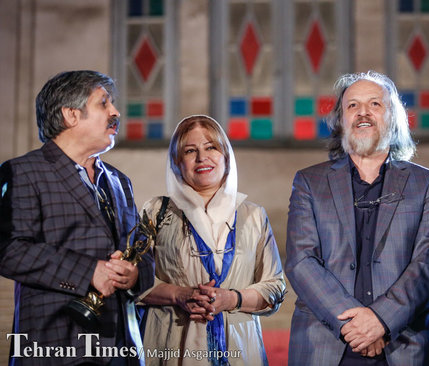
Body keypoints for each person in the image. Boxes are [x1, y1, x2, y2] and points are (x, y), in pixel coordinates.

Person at [285, 71, 429, 365]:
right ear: (341, 120)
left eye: (375, 104)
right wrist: (353, 325)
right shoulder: (309, 182)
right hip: (326, 343)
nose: (363, 113)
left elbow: (428, 262)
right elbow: (301, 261)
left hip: (403, 343)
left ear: (393, 117)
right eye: (352, 106)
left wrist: (381, 321)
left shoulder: (425, 184)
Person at [0, 70, 154, 365]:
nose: (115, 112)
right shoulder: (23, 172)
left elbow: (143, 249)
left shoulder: (119, 181)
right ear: (71, 115)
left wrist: (134, 275)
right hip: (57, 345)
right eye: (104, 103)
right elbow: (9, 250)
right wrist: (88, 272)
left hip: (123, 347)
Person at [137, 115, 285, 366]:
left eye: (211, 147)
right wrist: (179, 295)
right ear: (176, 162)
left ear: (226, 156)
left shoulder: (253, 216)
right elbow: (135, 281)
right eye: (190, 151)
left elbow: (275, 287)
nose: (201, 158)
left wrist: (232, 299)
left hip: (238, 347)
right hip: (173, 344)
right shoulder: (157, 213)